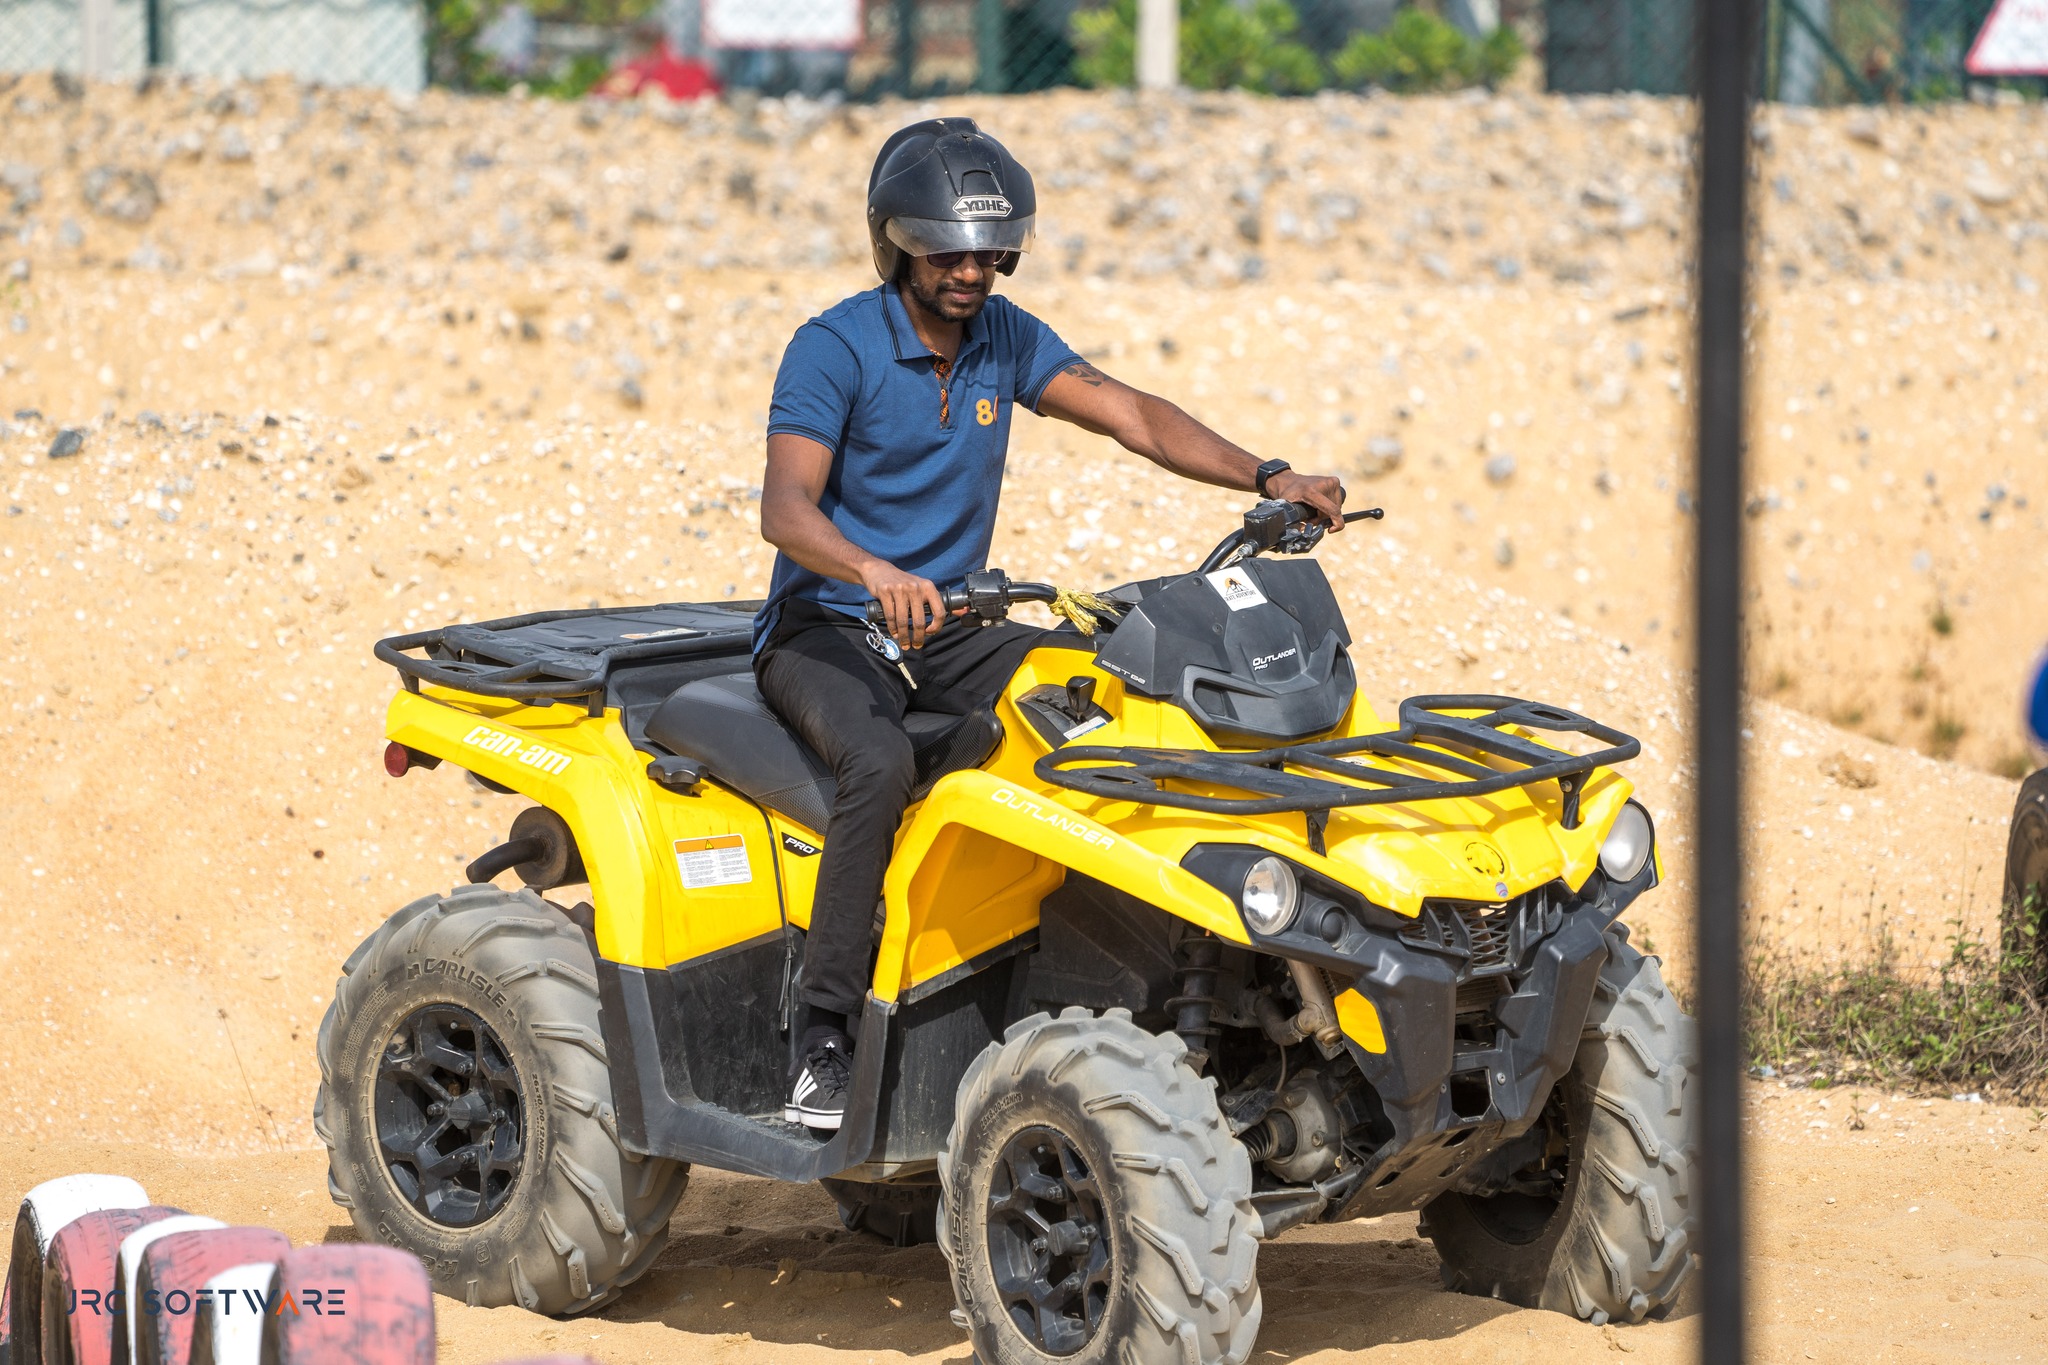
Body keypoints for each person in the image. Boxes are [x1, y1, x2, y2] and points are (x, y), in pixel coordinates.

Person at [754, 117, 1348, 1130]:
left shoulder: (1005, 339)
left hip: (949, 627)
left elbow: (1135, 416)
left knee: (1100, 696)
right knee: (876, 762)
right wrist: (870, 569)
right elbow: (785, 507)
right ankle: (820, 1035)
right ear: (896, 238)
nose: (973, 272)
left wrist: (1267, 474)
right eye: (949, 251)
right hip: (829, 627)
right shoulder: (833, 347)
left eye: (994, 252)